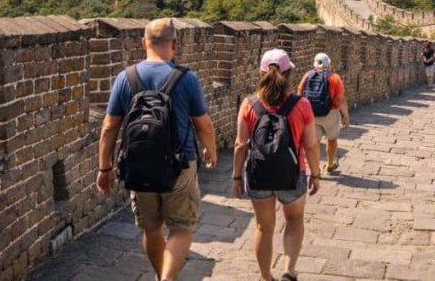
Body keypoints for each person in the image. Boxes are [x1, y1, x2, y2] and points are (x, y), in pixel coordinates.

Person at [97, 19, 218, 281]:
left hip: (138, 166)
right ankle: (166, 279)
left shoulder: (125, 78)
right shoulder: (187, 79)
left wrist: (104, 167)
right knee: (181, 229)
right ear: (175, 44)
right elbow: (203, 124)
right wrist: (210, 150)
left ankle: (163, 276)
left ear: (143, 43)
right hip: (181, 164)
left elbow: (109, 127)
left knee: (151, 229)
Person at [233, 49, 321, 281]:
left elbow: (241, 145)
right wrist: (316, 174)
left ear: (261, 72)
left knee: (263, 227)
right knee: (294, 220)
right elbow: (311, 145)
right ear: (289, 73)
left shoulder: (249, 104)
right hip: (292, 174)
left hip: (259, 176)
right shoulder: (301, 104)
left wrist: (236, 177)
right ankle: (288, 271)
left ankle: (265, 276)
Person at [297, 53, 350, 174]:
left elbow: (299, 93)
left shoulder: (307, 75)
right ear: (329, 65)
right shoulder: (334, 78)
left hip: (311, 113)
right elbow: (341, 99)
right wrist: (345, 116)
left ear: (314, 63)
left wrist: (300, 112)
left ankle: (316, 170)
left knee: (314, 142)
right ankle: (330, 165)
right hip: (331, 113)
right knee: (331, 139)